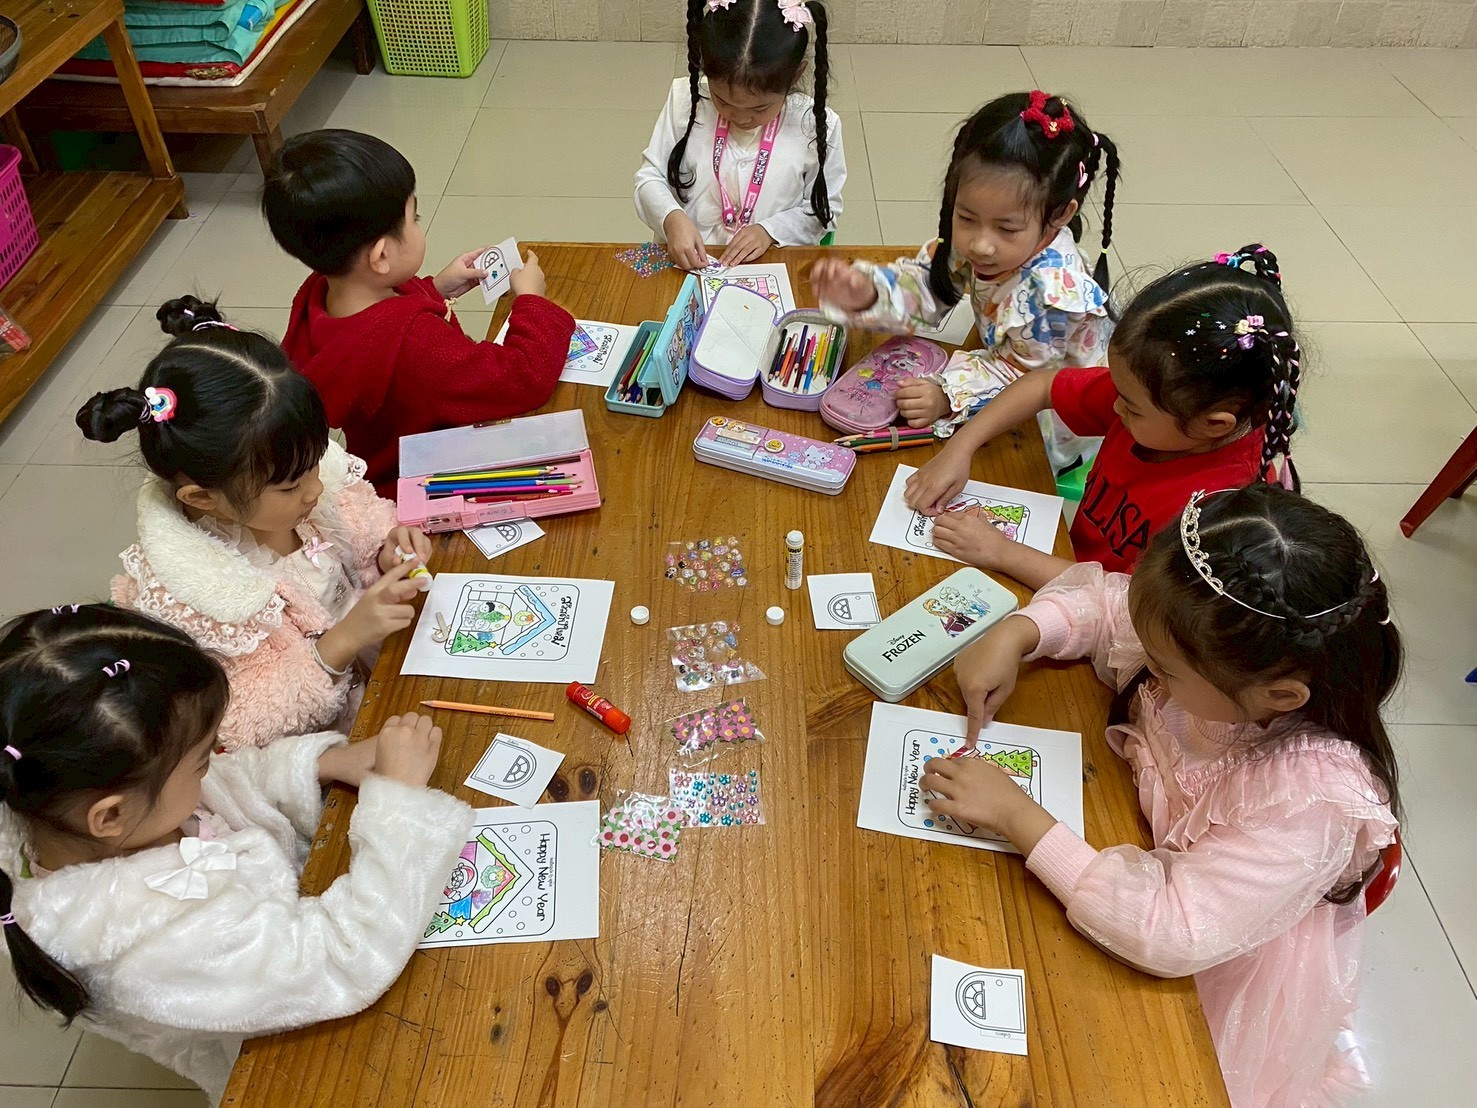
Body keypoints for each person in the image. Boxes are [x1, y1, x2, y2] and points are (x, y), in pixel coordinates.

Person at [927, 485, 1400, 1106]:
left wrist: (1017, 815)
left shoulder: (1306, 801)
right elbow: (1108, 607)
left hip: (1210, 962)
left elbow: (1174, 933)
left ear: (1279, 696)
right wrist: (1020, 631)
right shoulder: (1208, 638)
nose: (1148, 666)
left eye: (1165, 669)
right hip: (1141, 853)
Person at [0, 604, 471, 1103]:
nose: (213, 765)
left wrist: (322, 764)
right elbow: (338, 962)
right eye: (202, 759)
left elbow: (226, 783)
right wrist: (399, 807)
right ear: (110, 816)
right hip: (291, 1053)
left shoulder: (86, 807)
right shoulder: (149, 945)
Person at [78, 298, 429, 750]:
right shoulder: (197, 597)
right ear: (202, 498)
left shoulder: (296, 474)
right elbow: (243, 726)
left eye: (317, 463)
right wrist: (343, 642)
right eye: (290, 486)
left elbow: (364, 522)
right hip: (328, 750)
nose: (315, 490)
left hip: (392, 677)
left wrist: (388, 548)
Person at [904, 246, 1299, 588]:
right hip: (1065, 565)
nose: (1115, 407)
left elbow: (1125, 603)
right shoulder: (1162, 403)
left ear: (1213, 424)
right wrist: (961, 447)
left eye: (1131, 407)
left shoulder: (1220, 516)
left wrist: (1001, 552)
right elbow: (1042, 385)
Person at [811, 90, 1118, 470]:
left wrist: (947, 394)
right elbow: (933, 283)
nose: (980, 245)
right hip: (1003, 366)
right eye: (967, 217)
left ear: (1060, 214)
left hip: (1049, 425)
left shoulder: (1051, 293)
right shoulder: (987, 243)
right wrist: (870, 292)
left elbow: (1023, 381)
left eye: (1006, 228)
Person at [265, 128, 576, 494]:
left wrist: (435, 288)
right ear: (382, 256)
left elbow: (376, 322)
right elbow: (523, 379)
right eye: (415, 218)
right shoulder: (417, 345)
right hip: (429, 485)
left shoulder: (318, 293)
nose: (417, 225)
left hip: (382, 461)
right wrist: (532, 302)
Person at [635, 0, 843, 268]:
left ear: (794, 77)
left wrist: (770, 231)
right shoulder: (686, 99)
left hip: (770, 263)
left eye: (760, 108)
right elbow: (649, 178)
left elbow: (825, 209)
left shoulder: (817, 125)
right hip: (687, 262)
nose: (742, 118)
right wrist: (670, 217)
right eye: (723, 101)